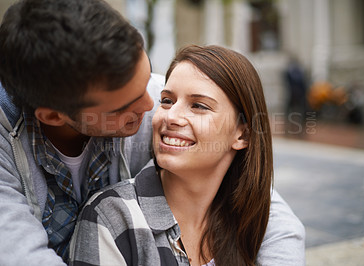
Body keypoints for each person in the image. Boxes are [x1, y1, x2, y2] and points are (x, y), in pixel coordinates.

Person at [0, 0, 303, 265]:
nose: (154, 109)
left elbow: (255, 196)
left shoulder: (149, 96)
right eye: (126, 106)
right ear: (54, 116)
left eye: (151, 87)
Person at [70, 45, 305, 266]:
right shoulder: (111, 217)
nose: (171, 116)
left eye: (199, 106)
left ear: (242, 135)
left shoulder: (254, 222)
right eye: (166, 101)